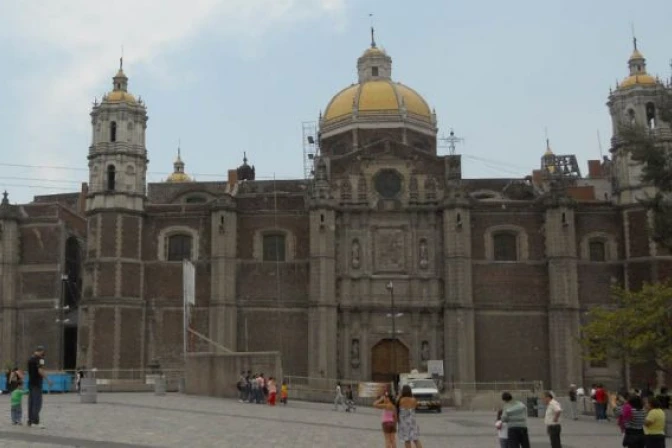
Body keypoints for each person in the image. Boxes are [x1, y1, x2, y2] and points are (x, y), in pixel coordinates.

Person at [27, 346, 52, 428]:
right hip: (37, 384)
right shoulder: (40, 359)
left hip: (31, 383)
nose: (44, 355)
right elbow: (40, 370)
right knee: (37, 403)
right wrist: (48, 380)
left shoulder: (30, 359)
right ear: (41, 352)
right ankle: (35, 421)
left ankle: (30, 421)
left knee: (31, 403)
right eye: (43, 353)